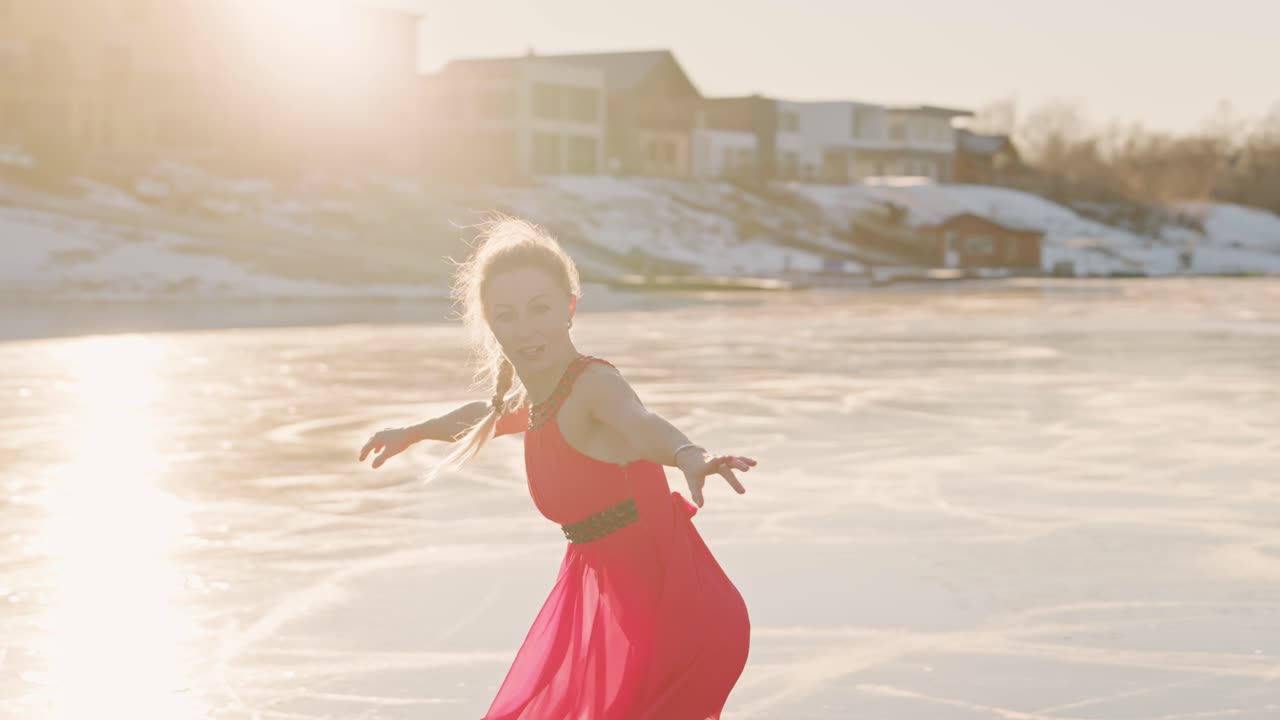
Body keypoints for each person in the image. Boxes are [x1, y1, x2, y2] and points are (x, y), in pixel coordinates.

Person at [357, 217, 756, 719]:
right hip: (614, 610)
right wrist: (413, 431)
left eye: (540, 308)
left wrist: (687, 454)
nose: (525, 329)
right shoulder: (540, 399)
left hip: (674, 616)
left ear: (569, 307)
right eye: (506, 315)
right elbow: (482, 416)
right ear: (490, 324)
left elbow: (639, 423)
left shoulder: (592, 386)